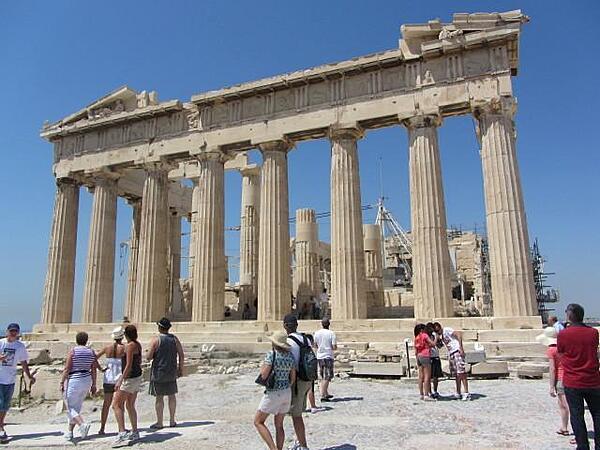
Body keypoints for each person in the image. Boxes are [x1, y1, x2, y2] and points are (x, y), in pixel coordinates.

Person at [557, 303, 600, 450]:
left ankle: (582, 446)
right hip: (593, 379)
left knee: (577, 415)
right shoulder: (594, 333)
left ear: (569, 316)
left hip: (573, 380)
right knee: (598, 414)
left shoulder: (563, 334)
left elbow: (561, 354)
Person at [254, 330, 296, 450]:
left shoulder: (272, 354)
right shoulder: (290, 356)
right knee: (279, 425)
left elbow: (264, 374)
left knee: (258, 422)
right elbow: (292, 377)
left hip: (273, 393)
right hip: (287, 392)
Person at [0, 323, 36, 444]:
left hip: (10, 379)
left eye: (15, 331)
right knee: (0, 403)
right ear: (7, 332)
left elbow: (24, 362)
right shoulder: (1, 343)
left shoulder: (20, 346)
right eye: (11, 331)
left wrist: (29, 376)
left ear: (18, 332)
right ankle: (0, 428)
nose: (13, 333)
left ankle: (1, 426)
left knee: (5, 405)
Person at [147, 317, 185, 430]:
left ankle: (159, 422)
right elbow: (181, 355)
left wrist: (149, 355)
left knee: (159, 397)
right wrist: (180, 369)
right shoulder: (174, 339)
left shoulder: (156, 340)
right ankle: (172, 420)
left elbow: (148, 357)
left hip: (159, 372)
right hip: (171, 371)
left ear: (159, 327)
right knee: (172, 395)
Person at [60, 331, 99, 441]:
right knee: (76, 407)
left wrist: (62, 382)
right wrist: (94, 384)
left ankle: (82, 424)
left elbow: (67, 368)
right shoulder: (91, 352)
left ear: (76, 340)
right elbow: (94, 369)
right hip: (86, 379)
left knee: (70, 407)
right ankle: (70, 432)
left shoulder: (73, 351)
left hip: (74, 380)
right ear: (86, 340)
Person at [112, 325, 143, 448]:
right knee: (130, 405)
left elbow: (128, 364)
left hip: (129, 378)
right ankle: (135, 432)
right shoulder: (138, 344)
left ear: (126, 335)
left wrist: (120, 380)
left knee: (116, 405)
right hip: (137, 377)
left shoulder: (130, 346)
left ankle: (122, 432)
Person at [284, 314, 312, 450]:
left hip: (297, 382)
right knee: (299, 412)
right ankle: (298, 441)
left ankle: (303, 445)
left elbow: (290, 365)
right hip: (308, 380)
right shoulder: (305, 339)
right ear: (297, 325)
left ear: (285, 326)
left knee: (296, 416)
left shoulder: (288, 341)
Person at [537, 326, 570, 436]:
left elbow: (552, 368)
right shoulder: (563, 347)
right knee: (562, 404)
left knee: (565, 405)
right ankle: (564, 427)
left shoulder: (551, 350)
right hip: (569, 376)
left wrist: (551, 386)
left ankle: (572, 429)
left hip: (560, 378)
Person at [96, 327, 125, 435]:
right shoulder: (124, 348)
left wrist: (100, 368)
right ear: (122, 337)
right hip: (119, 379)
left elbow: (94, 358)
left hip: (108, 378)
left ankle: (102, 428)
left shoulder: (107, 348)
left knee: (106, 404)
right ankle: (121, 428)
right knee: (119, 404)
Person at [433, 322, 471, 401]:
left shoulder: (447, 330)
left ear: (440, 327)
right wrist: (437, 338)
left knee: (461, 372)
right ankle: (458, 392)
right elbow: (440, 346)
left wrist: (461, 347)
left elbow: (458, 334)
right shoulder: (441, 336)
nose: (438, 332)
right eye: (436, 331)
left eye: (438, 330)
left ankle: (466, 392)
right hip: (451, 353)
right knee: (456, 374)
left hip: (457, 351)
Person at [313, 318, 337, 402]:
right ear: (329, 324)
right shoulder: (331, 333)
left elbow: (315, 345)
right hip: (328, 356)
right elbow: (334, 347)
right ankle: (323, 395)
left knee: (323, 375)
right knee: (327, 376)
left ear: (322, 324)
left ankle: (326, 393)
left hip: (319, 356)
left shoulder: (316, 333)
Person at [414, 324, 435, 401]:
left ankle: (421, 394)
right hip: (425, 355)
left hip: (419, 356)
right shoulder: (424, 335)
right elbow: (433, 344)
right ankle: (426, 395)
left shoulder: (416, 337)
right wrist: (436, 338)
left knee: (421, 376)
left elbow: (415, 350)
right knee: (427, 376)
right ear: (422, 330)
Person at [426, 322, 443, 399]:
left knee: (436, 376)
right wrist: (436, 338)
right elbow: (432, 344)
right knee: (429, 376)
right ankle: (429, 392)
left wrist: (439, 340)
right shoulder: (426, 337)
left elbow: (440, 346)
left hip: (436, 356)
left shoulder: (434, 336)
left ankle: (435, 391)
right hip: (430, 357)